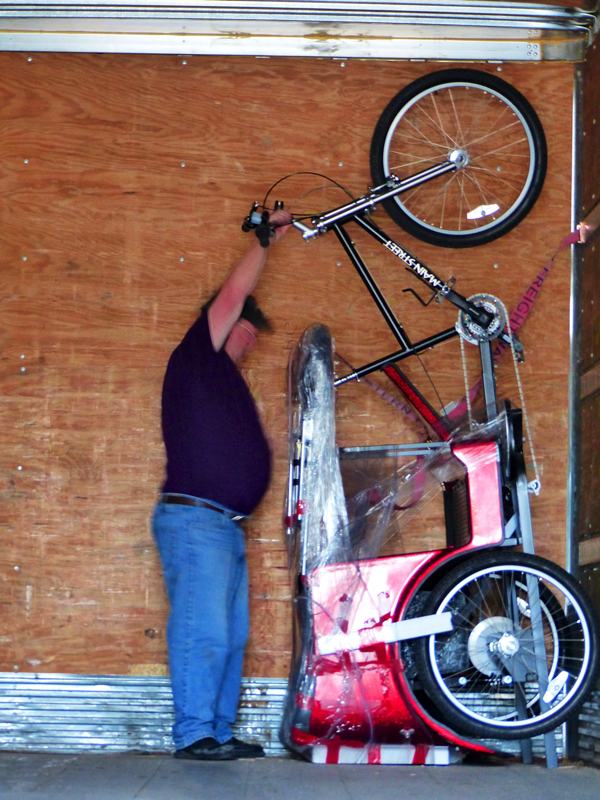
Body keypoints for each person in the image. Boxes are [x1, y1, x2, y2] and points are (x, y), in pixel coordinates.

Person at [152, 210, 290, 761]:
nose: (251, 340)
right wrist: (263, 241)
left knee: (229, 638)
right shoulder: (196, 359)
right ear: (222, 322)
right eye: (247, 328)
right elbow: (233, 294)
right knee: (201, 630)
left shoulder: (225, 381)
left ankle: (218, 730)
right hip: (196, 520)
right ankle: (194, 734)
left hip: (224, 526)